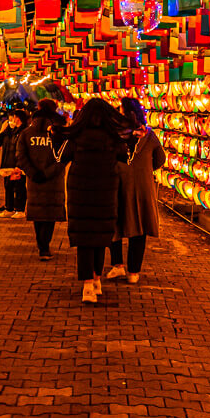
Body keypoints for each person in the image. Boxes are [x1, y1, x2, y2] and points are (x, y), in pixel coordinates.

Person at [59, 98, 129, 303]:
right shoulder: (113, 139)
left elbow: (62, 158)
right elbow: (124, 158)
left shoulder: (76, 137)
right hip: (106, 193)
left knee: (84, 239)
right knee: (100, 237)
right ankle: (97, 280)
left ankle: (88, 285)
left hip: (80, 195)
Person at [107, 97, 166, 284]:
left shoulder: (114, 135)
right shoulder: (149, 135)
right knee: (139, 227)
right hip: (142, 188)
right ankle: (133, 272)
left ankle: (118, 266)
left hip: (117, 184)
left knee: (114, 224)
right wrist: (145, 169)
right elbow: (160, 159)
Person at [19, 99, 67, 260]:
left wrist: (33, 173)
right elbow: (64, 157)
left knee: (38, 212)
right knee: (50, 214)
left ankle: (42, 245)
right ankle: (45, 246)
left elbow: (21, 156)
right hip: (53, 180)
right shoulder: (60, 133)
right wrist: (49, 172)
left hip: (34, 180)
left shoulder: (26, 133)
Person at [0, 108, 29, 218]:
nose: (10, 121)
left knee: (19, 187)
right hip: (7, 163)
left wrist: (20, 165)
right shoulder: (9, 131)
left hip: (18, 165)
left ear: (17, 119)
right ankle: (9, 208)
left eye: (12, 118)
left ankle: (20, 210)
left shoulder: (24, 132)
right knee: (8, 186)